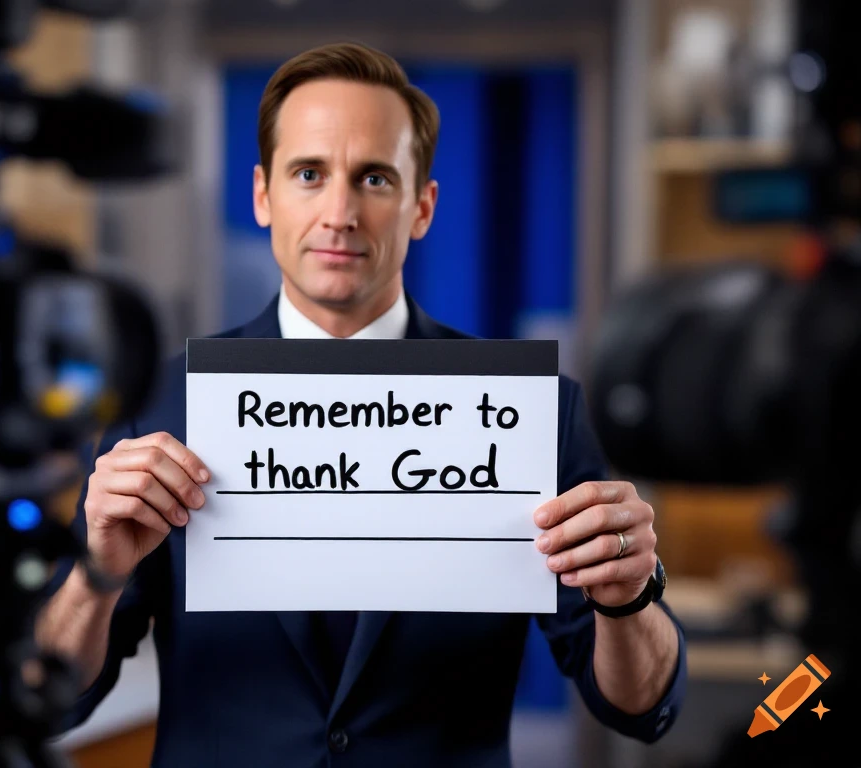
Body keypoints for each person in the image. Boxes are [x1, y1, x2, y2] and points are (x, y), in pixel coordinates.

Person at [36, 41, 687, 767]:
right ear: (262, 195)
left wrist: (629, 596)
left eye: (374, 178)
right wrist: (97, 574)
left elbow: (639, 707)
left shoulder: (528, 411)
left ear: (422, 207)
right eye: (309, 174)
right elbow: (52, 698)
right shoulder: (158, 402)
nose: (340, 212)